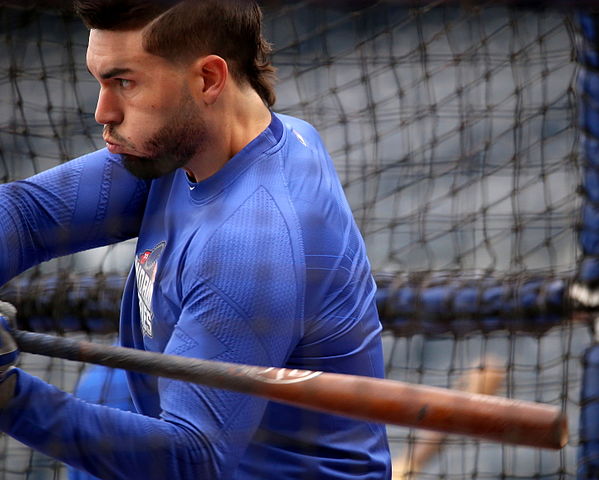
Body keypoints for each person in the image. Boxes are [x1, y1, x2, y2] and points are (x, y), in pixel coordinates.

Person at [0, 0, 391, 478]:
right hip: (191, 436)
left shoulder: (251, 243)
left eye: (125, 82)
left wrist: (8, 395)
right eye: (100, 81)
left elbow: (191, 460)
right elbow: (25, 214)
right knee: (107, 384)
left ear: (208, 79)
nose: (103, 111)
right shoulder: (197, 149)